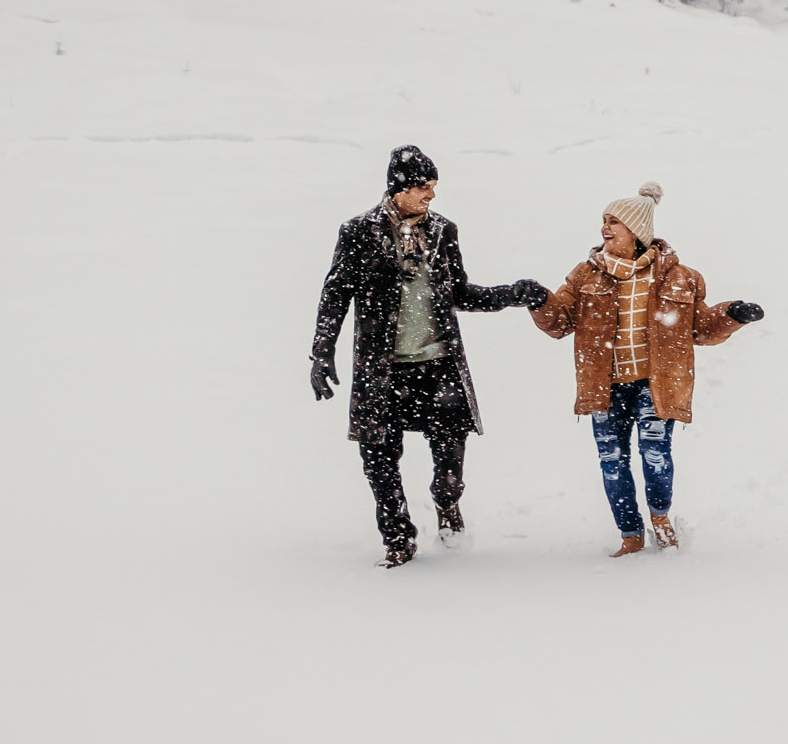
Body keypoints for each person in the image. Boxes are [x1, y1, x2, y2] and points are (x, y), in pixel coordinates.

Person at [310, 145, 548, 567]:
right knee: (379, 462)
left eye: (434, 187)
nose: (431, 196)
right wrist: (321, 352)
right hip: (381, 369)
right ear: (398, 187)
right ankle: (398, 538)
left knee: (450, 466)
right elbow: (335, 293)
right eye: (423, 187)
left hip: (438, 366)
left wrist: (512, 294)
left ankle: (446, 502)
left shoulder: (443, 231)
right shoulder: (358, 232)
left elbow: (460, 294)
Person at [531, 182, 763, 556]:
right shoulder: (586, 275)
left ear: (637, 230)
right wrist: (539, 301)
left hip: (655, 384)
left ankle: (659, 517)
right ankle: (630, 534)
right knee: (612, 460)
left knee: (655, 455)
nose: (605, 229)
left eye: (614, 222)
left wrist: (731, 315)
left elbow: (700, 329)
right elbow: (558, 322)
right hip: (603, 386)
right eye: (603, 222)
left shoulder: (680, 277)